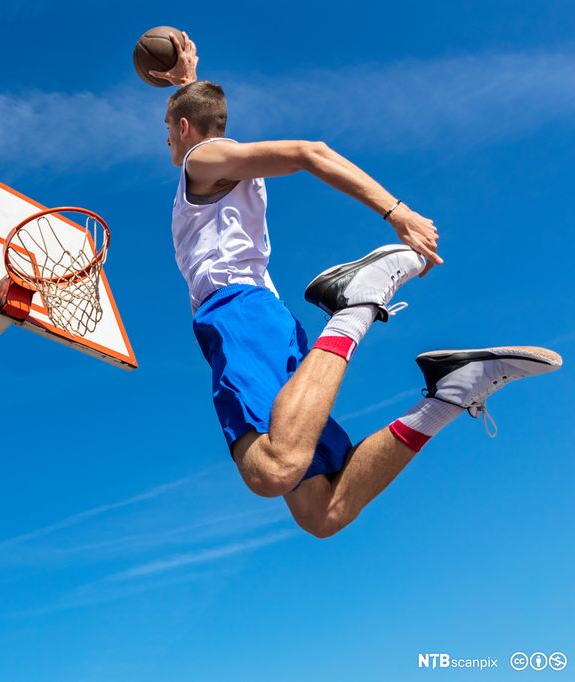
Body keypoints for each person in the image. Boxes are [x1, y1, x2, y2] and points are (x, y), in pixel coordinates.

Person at [148, 33, 563, 537]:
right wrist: (189, 83)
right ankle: (452, 393)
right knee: (321, 512)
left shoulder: (200, 160)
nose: (166, 140)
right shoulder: (224, 161)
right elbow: (210, 123)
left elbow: (309, 152)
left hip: (237, 311)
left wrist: (397, 212)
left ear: (183, 128)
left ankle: (355, 304)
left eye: (168, 128)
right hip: (262, 315)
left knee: (271, 470)